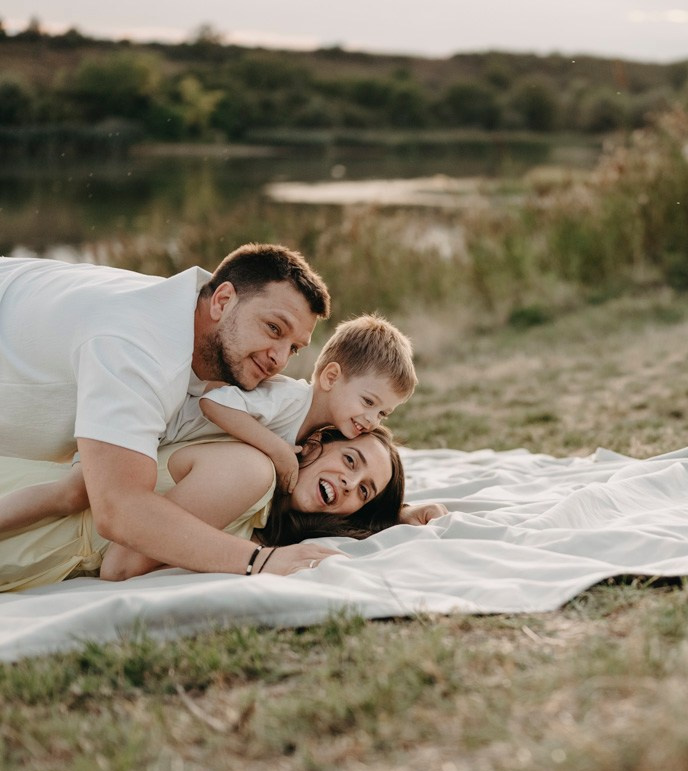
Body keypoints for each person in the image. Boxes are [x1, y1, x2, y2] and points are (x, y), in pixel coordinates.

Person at [0, 244, 344, 576]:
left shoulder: (196, 315)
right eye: (273, 329)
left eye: (294, 349)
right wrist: (259, 561)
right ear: (222, 300)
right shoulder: (139, 349)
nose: (279, 359)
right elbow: (119, 509)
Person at [0, 313, 419, 532]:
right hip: (147, 426)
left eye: (382, 414)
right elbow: (214, 405)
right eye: (368, 402)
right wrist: (274, 448)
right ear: (330, 377)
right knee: (73, 493)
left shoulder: (316, 435)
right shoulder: (292, 400)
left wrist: (394, 512)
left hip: (165, 448)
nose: (370, 420)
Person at [0, 427, 411, 592]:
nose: (348, 484)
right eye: (351, 461)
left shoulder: (263, 515)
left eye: (364, 492)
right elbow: (121, 564)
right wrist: (260, 562)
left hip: (34, 554)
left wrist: (399, 516)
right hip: (26, 518)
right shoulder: (250, 470)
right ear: (318, 442)